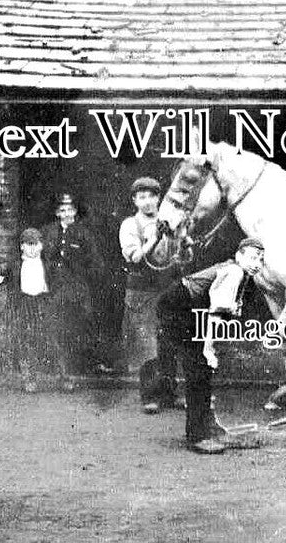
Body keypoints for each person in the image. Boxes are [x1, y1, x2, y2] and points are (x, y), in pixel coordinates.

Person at [156, 237, 266, 454]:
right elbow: (216, 315)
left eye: (261, 260)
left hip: (187, 308)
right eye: (252, 257)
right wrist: (208, 348)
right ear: (239, 255)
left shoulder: (240, 273)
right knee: (198, 368)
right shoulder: (234, 272)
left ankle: (208, 427)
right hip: (177, 307)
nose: (257, 264)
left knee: (202, 369)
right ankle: (197, 436)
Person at [118, 176, 178, 413]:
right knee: (147, 345)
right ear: (134, 200)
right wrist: (154, 239)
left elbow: (179, 256)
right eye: (141, 197)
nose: (147, 202)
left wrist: (182, 242)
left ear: (158, 198)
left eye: (151, 196)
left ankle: (170, 394)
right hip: (141, 293)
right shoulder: (130, 225)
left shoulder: (169, 222)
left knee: (170, 341)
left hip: (167, 288)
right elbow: (134, 257)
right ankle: (149, 397)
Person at [39, 192, 104, 381]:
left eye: (70, 209)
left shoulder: (84, 233)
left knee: (83, 323)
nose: (66, 213)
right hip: (53, 287)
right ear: (57, 213)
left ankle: (85, 366)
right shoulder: (47, 232)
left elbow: (96, 263)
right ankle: (59, 368)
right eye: (62, 210)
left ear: (75, 211)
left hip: (77, 287)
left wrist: (82, 276)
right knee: (54, 324)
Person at [2, 228, 68, 392]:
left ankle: (63, 378)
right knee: (26, 341)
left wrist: (51, 299)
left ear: (41, 246)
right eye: (28, 244)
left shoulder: (48, 265)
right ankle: (30, 379)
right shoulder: (16, 266)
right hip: (25, 303)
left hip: (43, 303)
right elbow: (1, 278)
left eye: (35, 244)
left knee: (52, 341)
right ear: (22, 247)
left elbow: (59, 283)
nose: (32, 248)